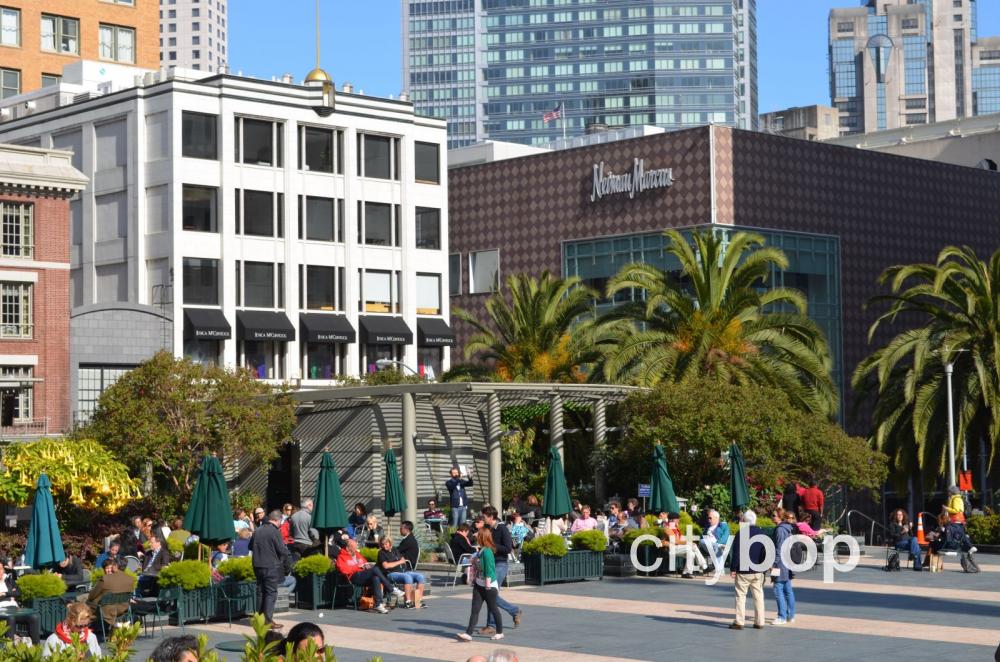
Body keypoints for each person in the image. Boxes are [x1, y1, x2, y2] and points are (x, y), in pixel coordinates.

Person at [456, 527, 505, 643]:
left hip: (489, 586)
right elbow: (478, 565)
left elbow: (489, 568)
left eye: (478, 534)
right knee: (475, 610)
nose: (475, 535)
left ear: (482, 537)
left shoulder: (487, 551)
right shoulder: (481, 550)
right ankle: (468, 634)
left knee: (493, 608)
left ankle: (499, 632)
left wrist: (487, 583)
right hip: (479, 584)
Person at [480, 506, 521, 634]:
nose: (483, 518)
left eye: (484, 516)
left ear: (491, 517)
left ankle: (495, 622)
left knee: (490, 593)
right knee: (490, 593)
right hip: (490, 564)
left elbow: (508, 548)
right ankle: (493, 623)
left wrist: (492, 546)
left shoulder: (502, 528)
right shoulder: (487, 529)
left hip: (500, 564)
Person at [250, 509, 291, 630]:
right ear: (277, 520)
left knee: (260, 592)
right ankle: (267, 621)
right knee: (271, 593)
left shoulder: (257, 530)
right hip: (270, 566)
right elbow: (282, 550)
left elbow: (250, 546)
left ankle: (259, 619)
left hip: (257, 565)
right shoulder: (274, 532)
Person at [335, 538, 400, 614]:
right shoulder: (341, 557)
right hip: (353, 577)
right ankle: (391, 589)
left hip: (363, 575)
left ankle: (378, 604)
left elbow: (364, 563)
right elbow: (344, 570)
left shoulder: (357, 554)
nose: (357, 548)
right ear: (348, 548)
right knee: (375, 570)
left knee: (375, 577)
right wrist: (358, 567)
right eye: (355, 547)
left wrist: (368, 565)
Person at [730, 510, 766, 630]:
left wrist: (733, 568)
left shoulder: (741, 533)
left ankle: (740, 621)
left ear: (744, 520)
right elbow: (764, 552)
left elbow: (737, 553)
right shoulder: (761, 533)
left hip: (743, 570)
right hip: (757, 569)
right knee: (758, 596)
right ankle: (759, 621)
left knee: (740, 596)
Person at [377, 537, 427, 609]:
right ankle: (408, 602)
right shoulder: (381, 553)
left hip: (403, 571)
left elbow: (402, 559)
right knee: (407, 577)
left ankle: (418, 601)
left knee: (420, 576)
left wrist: (399, 562)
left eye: (386, 544)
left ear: (390, 543)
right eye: (382, 545)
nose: (385, 546)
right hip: (391, 573)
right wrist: (399, 562)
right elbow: (386, 566)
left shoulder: (395, 550)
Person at [87, 558, 135, 630]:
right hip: (123, 608)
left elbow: (91, 596)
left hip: (106, 609)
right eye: (108, 568)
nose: (110, 569)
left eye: (111, 567)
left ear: (115, 566)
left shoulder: (105, 579)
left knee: (85, 603)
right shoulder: (130, 579)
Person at [0, 563, 40, 644]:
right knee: (10, 618)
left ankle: (37, 647)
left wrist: (5, 594)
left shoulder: (8, 579)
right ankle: (11, 650)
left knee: (34, 617)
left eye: (0, 569)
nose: (0, 572)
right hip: (2, 611)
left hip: (14, 608)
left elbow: (18, 593)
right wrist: (11, 593)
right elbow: (14, 593)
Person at [771, 510, 798, 625]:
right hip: (788, 562)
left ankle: (782, 616)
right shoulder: (789, 528)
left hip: (780, 564)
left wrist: (773, 563)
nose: (772, 517)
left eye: (774, 515)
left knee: (778, 590)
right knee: (788, 590)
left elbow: (779, 548)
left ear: (780, 517)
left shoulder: (780, 529)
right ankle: (790, 615)